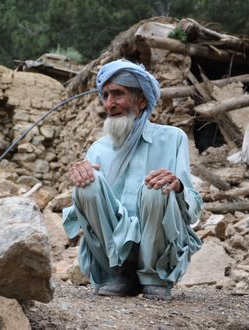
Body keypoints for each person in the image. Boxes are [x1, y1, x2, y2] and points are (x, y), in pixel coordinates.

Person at [62, 59, 202, 300]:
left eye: (118, 94)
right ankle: (121, 274)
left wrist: (177, 186)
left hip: (160, 249)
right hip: (112, 254)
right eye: (105, 95)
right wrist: (82, 177)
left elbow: (193, 211)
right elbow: (83, 218)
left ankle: (153, 278)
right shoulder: (98, 149)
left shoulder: (173, 139)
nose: (109, 104)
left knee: (158, 186)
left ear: (142, 100)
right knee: (87, 183)